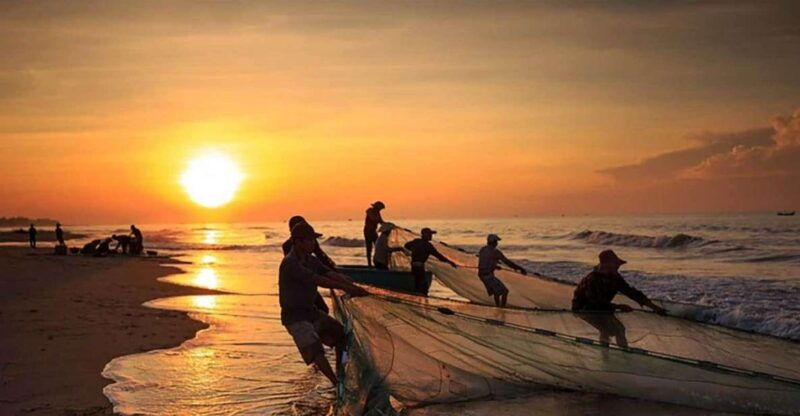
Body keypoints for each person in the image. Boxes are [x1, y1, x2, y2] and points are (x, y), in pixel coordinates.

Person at [280, 221, 368, 386]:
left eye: (314, 240)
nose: (313, 243)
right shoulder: (290, 263)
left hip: (311, 312)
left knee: (342, 336)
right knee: (315, 351)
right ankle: (336, 383)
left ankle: (341, 372)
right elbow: (318, 279)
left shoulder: (310, 259)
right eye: (309, 240)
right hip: (295, 317)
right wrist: (345, 287)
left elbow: (327, 272)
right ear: (297, 242)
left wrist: (351, 284)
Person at [572, 249, 667, 315]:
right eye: (615, 265)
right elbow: (594, 301)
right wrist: (617, 306)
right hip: (584, 308)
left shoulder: (615, 278)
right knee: (613, 328)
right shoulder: (592, 279)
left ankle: (606, 338)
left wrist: (654, 308)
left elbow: (631, 292)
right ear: (606, 265)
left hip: (603, 307)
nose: (618, 267)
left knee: (617, 329)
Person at [281, 215, 335, 314]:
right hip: (300, 284)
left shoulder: (306, 240)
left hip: (307, 281)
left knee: (319, 309)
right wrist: (331, 272)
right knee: (319, 309)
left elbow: (320, 257)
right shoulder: (290, 249)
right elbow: (320, 257)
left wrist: (330, 270)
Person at [403, 228, 458, 295]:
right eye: (429, 234)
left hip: (414, 267)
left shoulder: (416, 241)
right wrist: (450, 262)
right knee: (423, 287)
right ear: (424, 235)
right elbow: (439, 256)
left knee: (417, 284)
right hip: (419, 268)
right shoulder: (428, 245)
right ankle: (421, 299)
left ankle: (418, 297)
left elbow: (406, 245)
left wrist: (414, 250)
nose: (431, 236)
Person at [478, 234, 527, 308]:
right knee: (505, 291)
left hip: (482, 274)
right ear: (493, 242)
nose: (497, 243)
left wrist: (494, 266)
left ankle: (498, 307)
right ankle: (502, 308)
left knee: (496, 292)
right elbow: (507, 262)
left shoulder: (483, 249)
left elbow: (484, 261)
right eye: (496, 241)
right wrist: (520, 268)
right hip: (488, 276)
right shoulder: (495, 252)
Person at [363, 201, 385, 267]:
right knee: (369, 247)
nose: (380, 210)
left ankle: (377, 262)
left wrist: (388, 225)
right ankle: (369, 264)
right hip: (368, 231)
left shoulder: (378, 213)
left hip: (373, 231)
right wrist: (379, 220)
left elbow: (381, 221)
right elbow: (373, 219)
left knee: (378, 246)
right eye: (380, 208)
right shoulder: (369, 211)